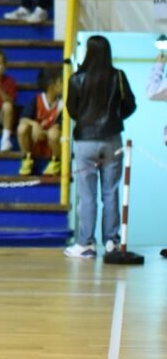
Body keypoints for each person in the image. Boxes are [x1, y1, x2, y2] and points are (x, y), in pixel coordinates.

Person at [64, 34, 136, 258]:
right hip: (112, 139)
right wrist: (115, 118)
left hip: (85, 141)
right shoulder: (118, 76)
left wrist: (87, 121)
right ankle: (112, 243)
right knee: (111, 193)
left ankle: (86, 244)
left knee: (87, 196)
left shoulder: (76, 79)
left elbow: (72, 110)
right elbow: (130, 105)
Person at [18, 65, 64, 176]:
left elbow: (58, 126)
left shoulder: (62, 103)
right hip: (36, 140)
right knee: (22, 127)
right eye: (61, 82)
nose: (64, 85)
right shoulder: (37, 99)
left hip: (53, 141)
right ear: (52, 85)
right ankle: (26, 159)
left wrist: (45, 133)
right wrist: (35, 125)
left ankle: (56, 161)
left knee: (54, 133)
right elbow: (23, 119)